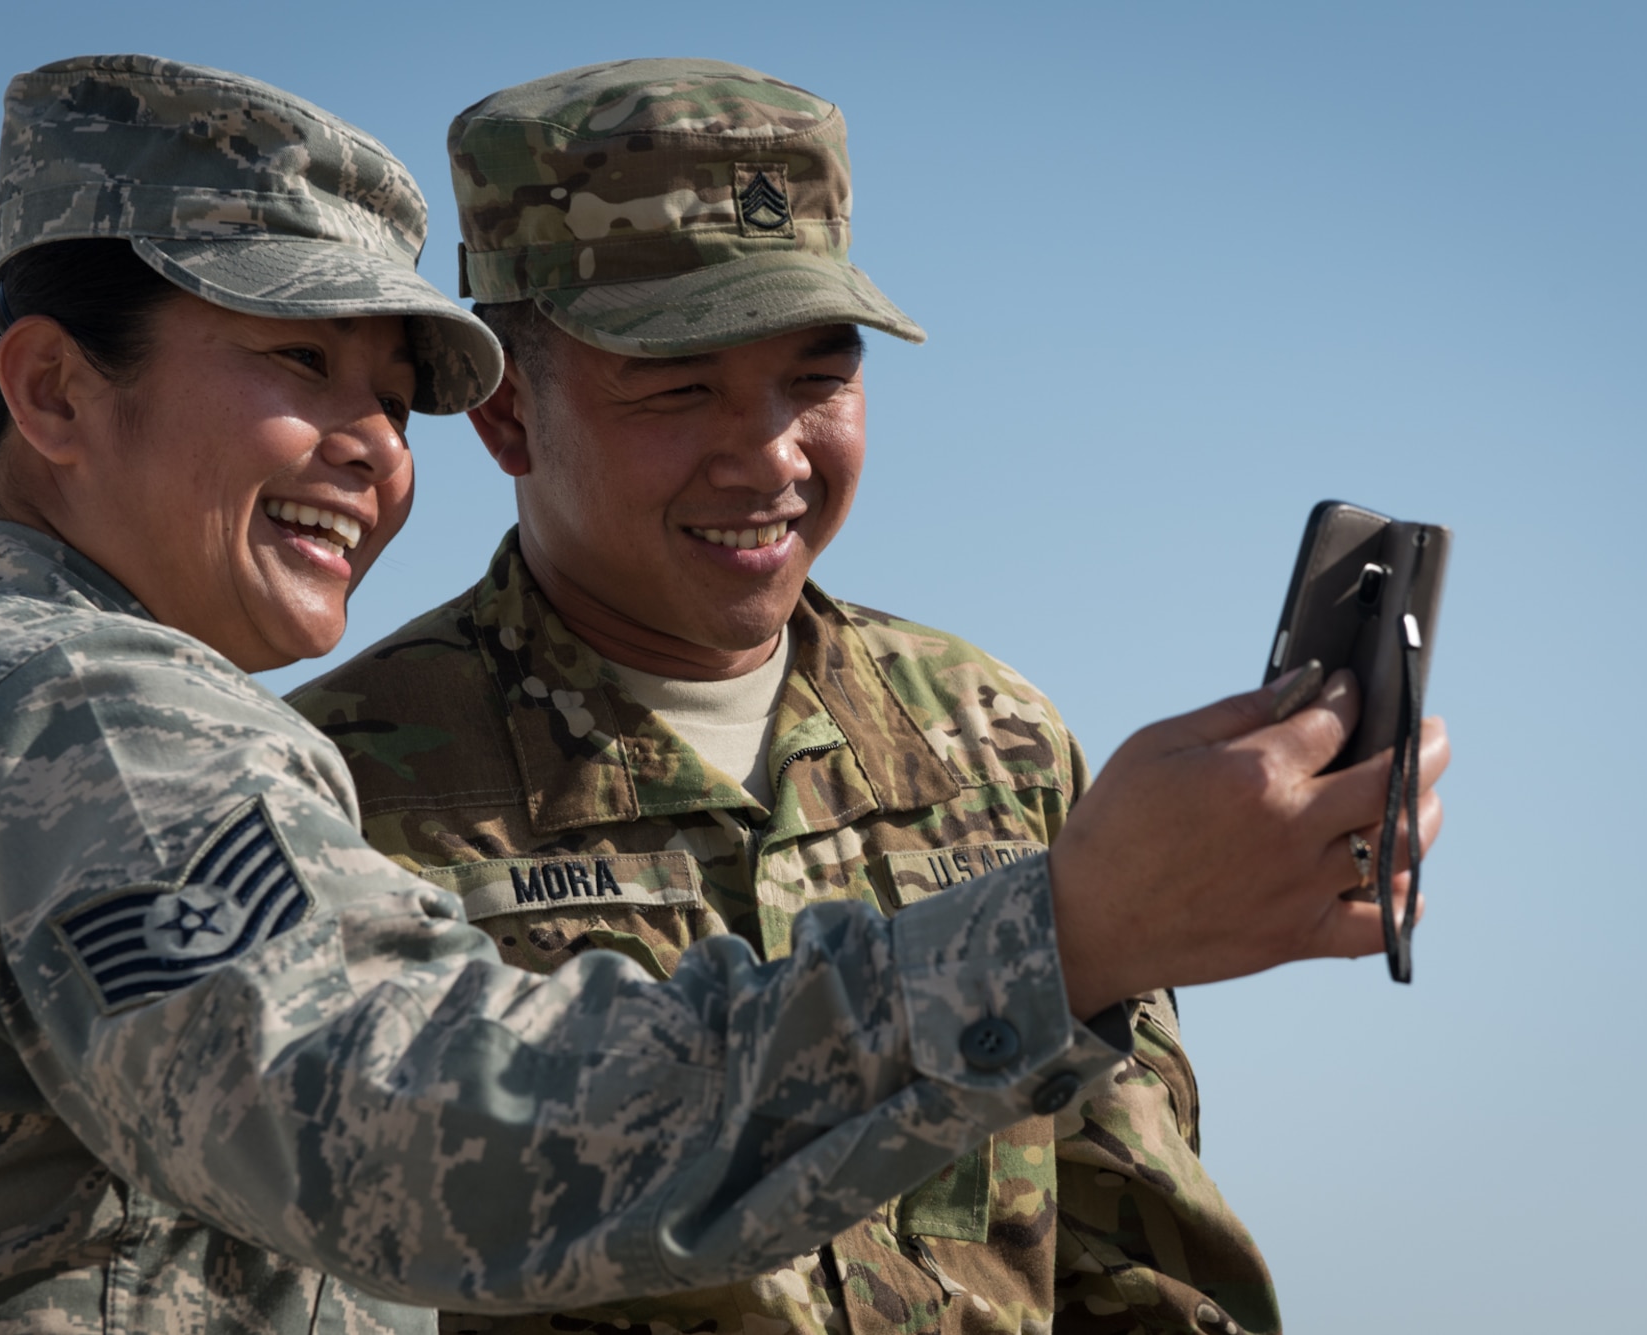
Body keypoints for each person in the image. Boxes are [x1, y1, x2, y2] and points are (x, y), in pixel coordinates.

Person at [0, 54, 1442, 1335]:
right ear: (51, 390)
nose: (364, 441)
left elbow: (1129, 1240)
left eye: (389, 386)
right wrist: (1064, 934)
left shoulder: (988, 729)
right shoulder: (84, 719)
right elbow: (411, 1131)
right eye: (293, 360)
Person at [289, 59, 1448, 1335]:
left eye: (819, 378)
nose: (773, 453)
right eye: (679, 386)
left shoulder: (987, 736)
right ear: (508, 415)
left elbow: (1127, 1242)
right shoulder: (330, 786)